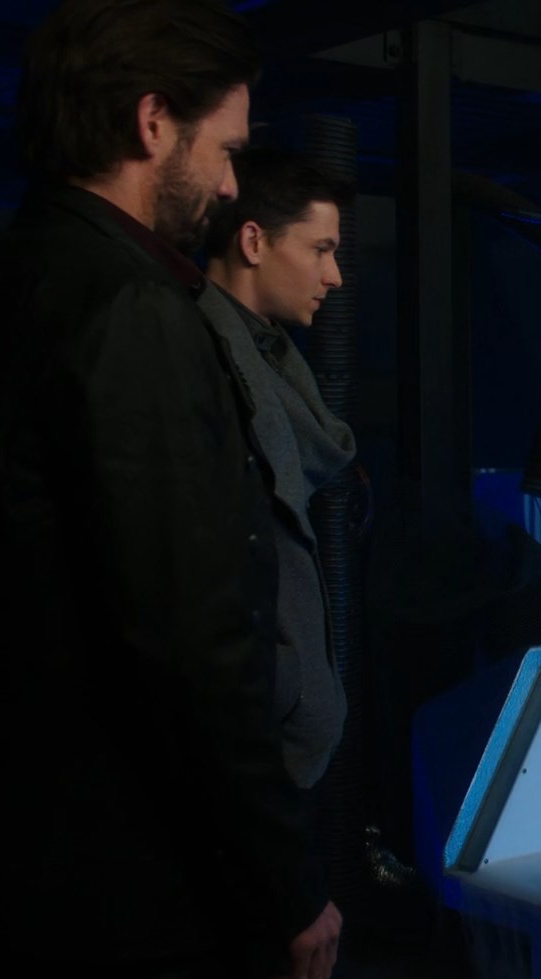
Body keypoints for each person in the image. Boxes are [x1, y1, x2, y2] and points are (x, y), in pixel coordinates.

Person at [0, 2, 340, 979]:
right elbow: (189, 640)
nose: (230, 186)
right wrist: (281, 882)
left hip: (14, 864)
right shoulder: (133, 312)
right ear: (152, 124)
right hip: (140, 895)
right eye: (224, 149)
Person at [200, 147, 357, 792]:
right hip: (236, 750)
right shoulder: (199, 360)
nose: (335, 276)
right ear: (253, 242)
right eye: (320, 250)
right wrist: (284, 685)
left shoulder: (264, 358)